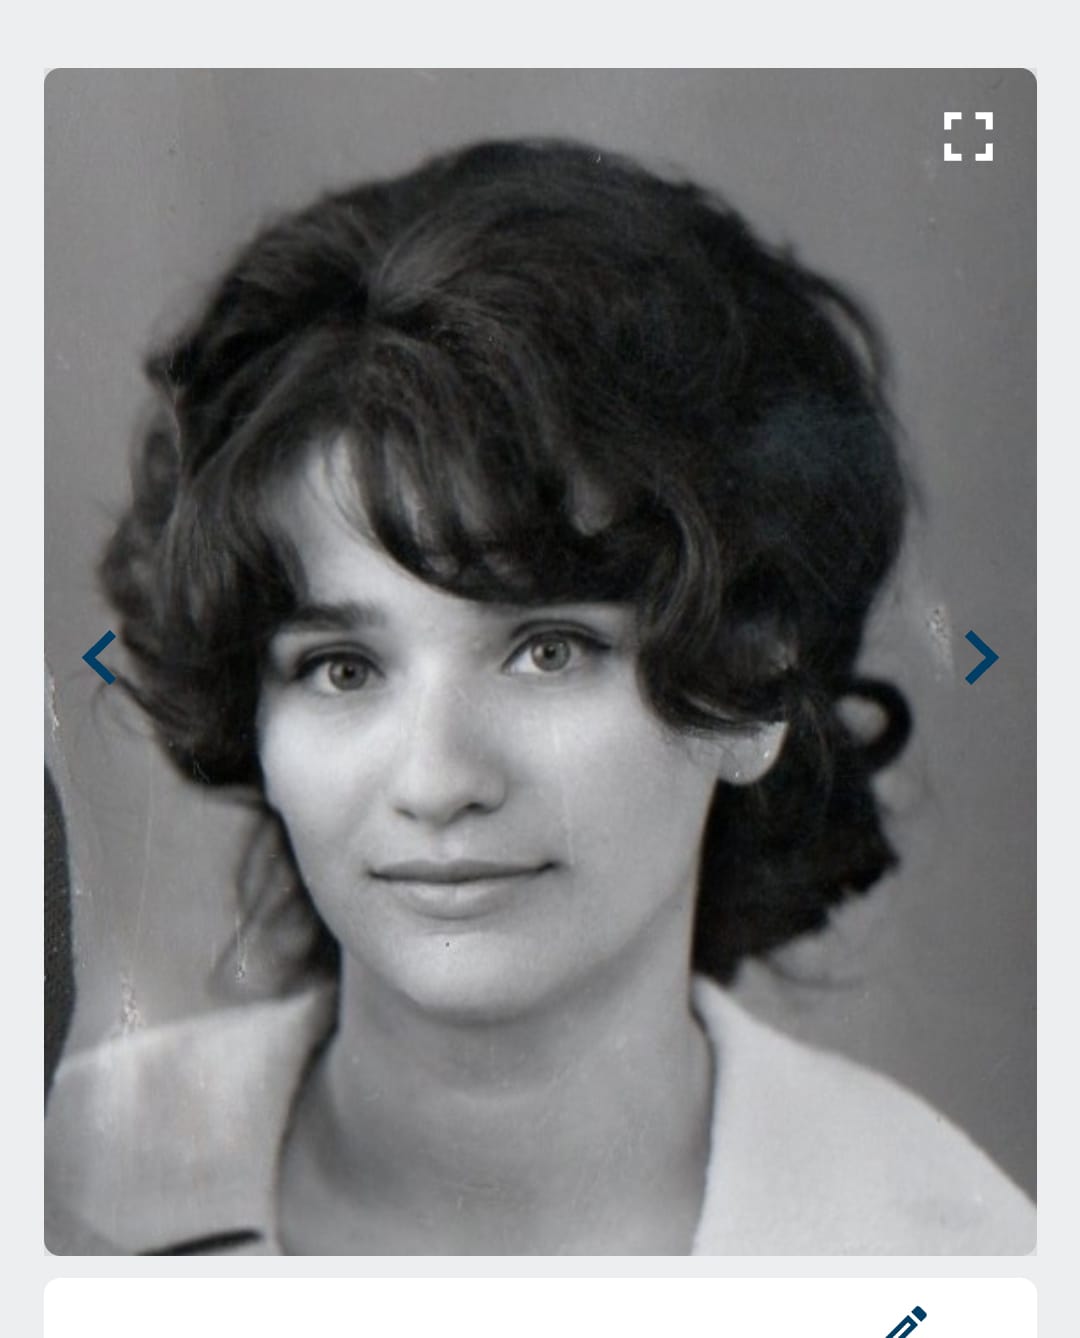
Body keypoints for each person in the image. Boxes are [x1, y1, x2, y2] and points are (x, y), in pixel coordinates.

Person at [44, 138, 1034, 1255]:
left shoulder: (956, 1267)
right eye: (342, 668)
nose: (438, 782)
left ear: (753, 683)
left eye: (548, 651)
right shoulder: (51, 1195)